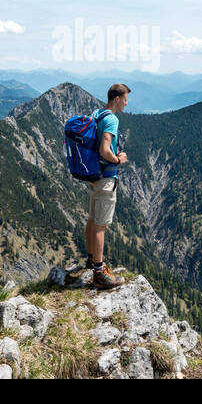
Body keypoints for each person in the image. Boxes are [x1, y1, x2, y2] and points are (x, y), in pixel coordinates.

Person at [85, 83, 130, 289]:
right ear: (117, 98)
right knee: (101, 225)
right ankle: (99, 272)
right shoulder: (111, 119)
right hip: (105, 178)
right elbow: (104, 149)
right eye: (126, 99)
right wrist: (118, 160)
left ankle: (91, 259)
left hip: (94, 176)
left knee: (93, 220)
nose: (127, 103)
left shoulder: (98, 113)